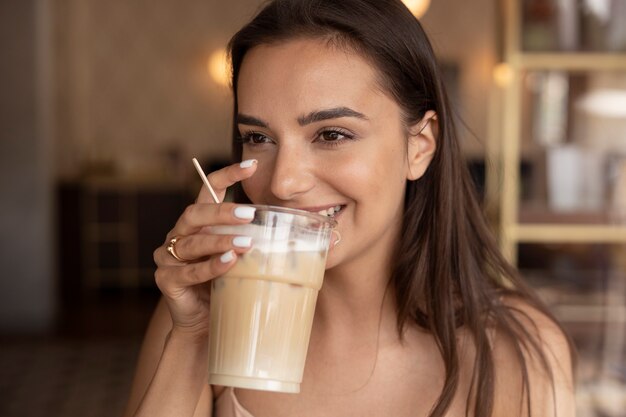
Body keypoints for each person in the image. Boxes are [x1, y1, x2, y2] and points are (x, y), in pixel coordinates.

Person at [124, 0, 575, 416]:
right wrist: (193, 340)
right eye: (258, 138)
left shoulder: (515, 351)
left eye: (332, 134)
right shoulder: (202, 314)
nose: (282, 182)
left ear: (419, 146)